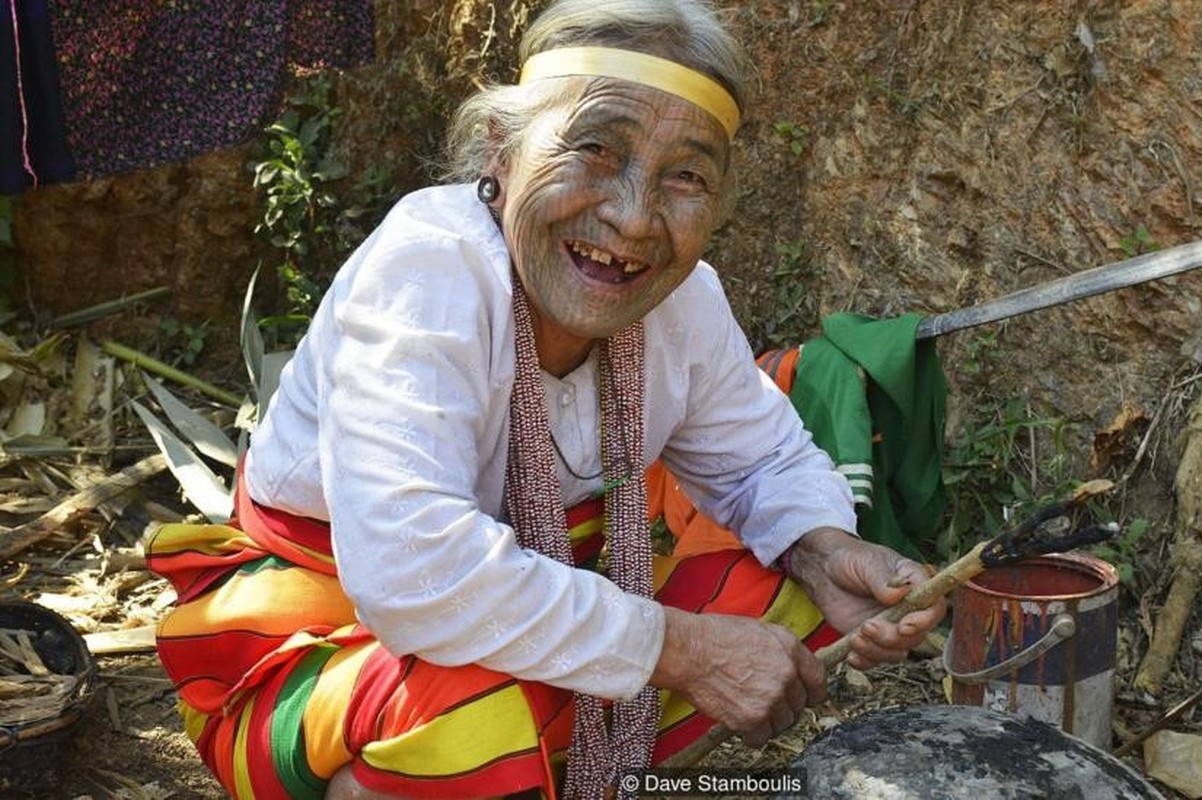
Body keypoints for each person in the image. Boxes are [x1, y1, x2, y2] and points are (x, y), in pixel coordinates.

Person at [143, 1, 947, 797]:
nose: (633, 219)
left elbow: (762, 459)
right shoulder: (428, 269)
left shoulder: (685, 300)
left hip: (524, 610)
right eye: (595, 149)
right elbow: (412, 570)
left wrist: (823, 550)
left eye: (687, 178)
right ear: (502, 148)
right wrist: (688, 650)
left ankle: (548, 772)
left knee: (779, 599)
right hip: (335, 637)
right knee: (470, 720)